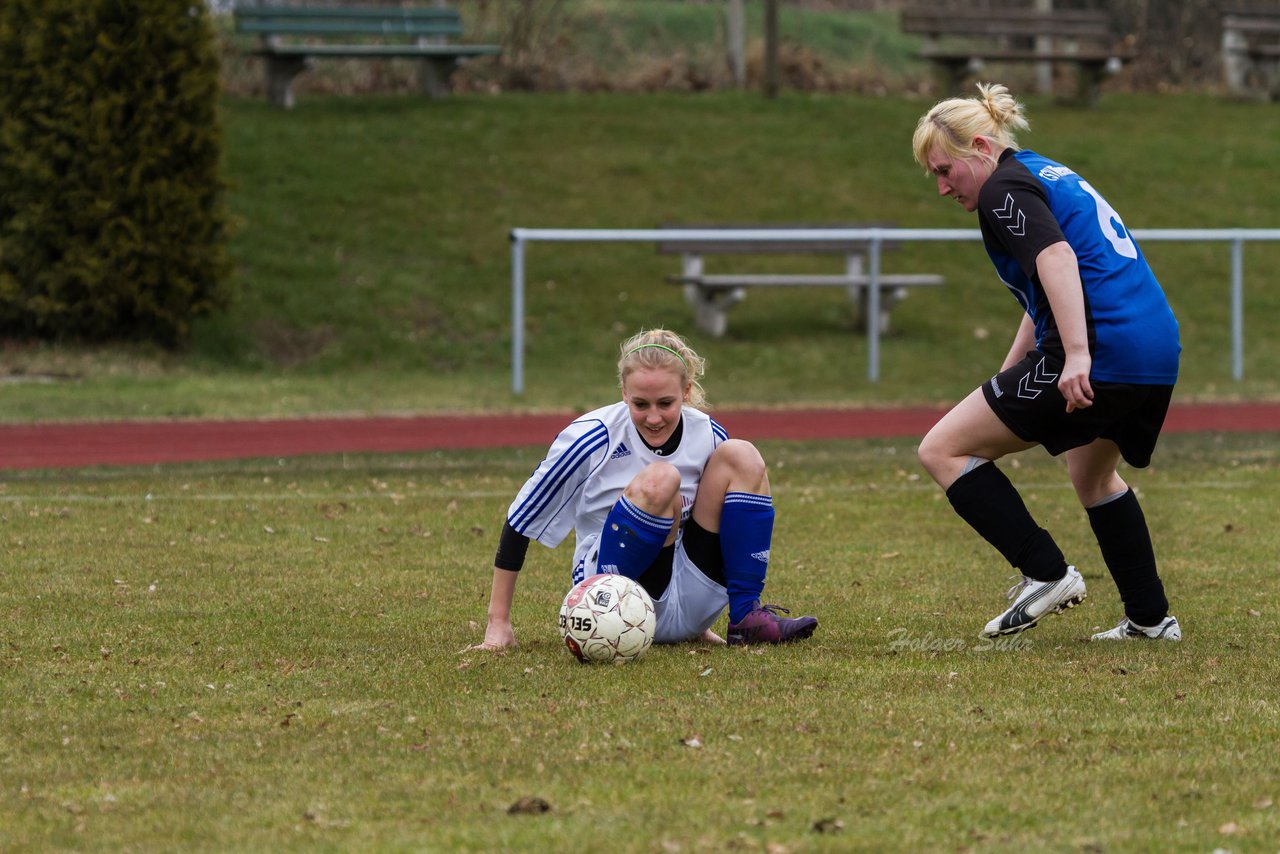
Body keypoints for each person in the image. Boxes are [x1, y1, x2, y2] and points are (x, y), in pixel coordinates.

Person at [911, 82, 1182, 642]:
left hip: (1100, 346)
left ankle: (1046, 572)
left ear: (981, 148)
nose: (941, 187)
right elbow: (1048, 286)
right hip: (1153, 348)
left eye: (944, 170)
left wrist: (1078, 353)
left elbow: (1056, 259)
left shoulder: (1000, 191)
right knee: (1093, 473)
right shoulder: (1040, 171)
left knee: (941, 449)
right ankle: (1151, 620)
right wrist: (1007, 375)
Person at [470, 328, 818, 651]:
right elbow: (521, 520)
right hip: (613, 603)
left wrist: (692, 621)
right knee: (661, 480)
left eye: (665, 403)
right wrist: (498, 622)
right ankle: (616, 613)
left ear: (685, 391)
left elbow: (723, 522)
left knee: (742, 455)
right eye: (640, 404)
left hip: (692, 595)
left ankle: (746, 619)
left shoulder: (708, 433)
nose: (654, 418)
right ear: (624, 393)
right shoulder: (592, 437)